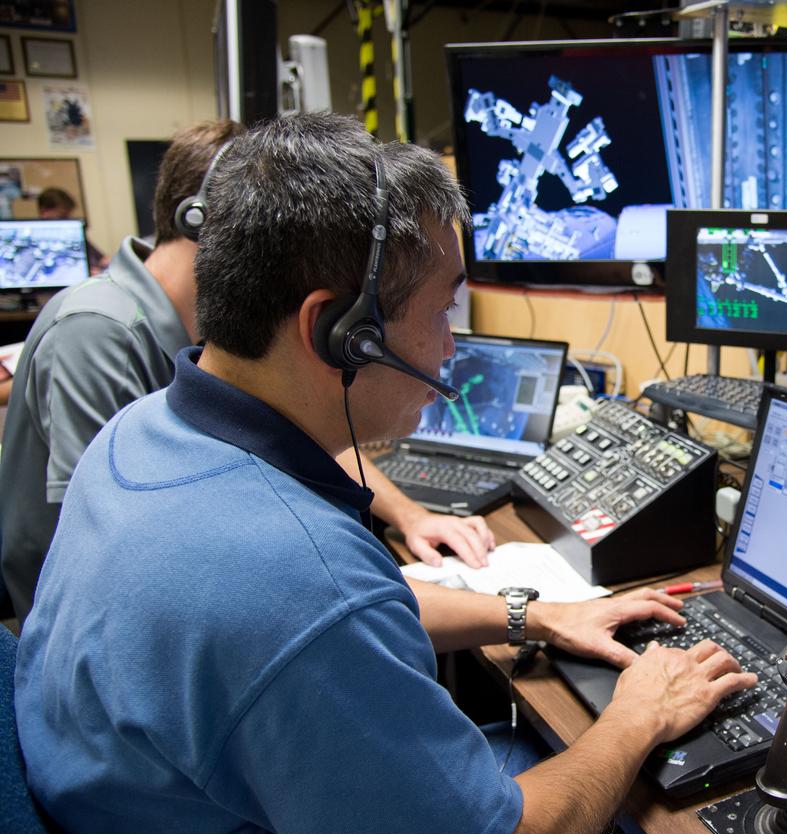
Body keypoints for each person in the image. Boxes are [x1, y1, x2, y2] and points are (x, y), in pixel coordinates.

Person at [14, 112, 755, 834]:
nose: (450, 344)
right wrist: (640, 714)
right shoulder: (297, 585)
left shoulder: (139, 433)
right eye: (441, 310)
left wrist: (536, 614)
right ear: (337, 332)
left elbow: (347, 614)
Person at [0, 120, 497, 627]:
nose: (450, 345)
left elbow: (303, 424)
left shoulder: (168, 400)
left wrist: (409, 515)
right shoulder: (99, 332)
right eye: (443, 310)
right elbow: (147, 564)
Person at [35, 186, 107, 274]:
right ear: (44, 212)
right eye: (62, 216)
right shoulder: (39, 242)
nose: (67, 221)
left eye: (68, 217)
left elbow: (103, 259)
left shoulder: (72, 235)